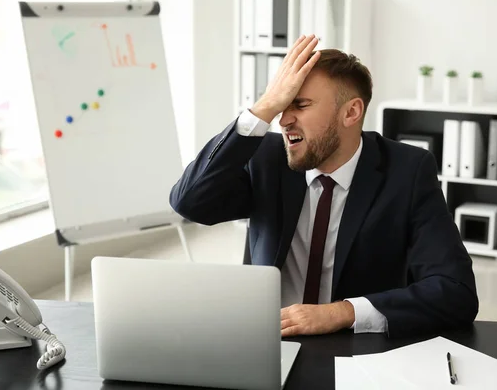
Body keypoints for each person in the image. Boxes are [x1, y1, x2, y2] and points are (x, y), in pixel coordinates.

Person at [170, 35, 479, 339]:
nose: (284, 120)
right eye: (282, 105)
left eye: (300, 105)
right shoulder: (266, 158)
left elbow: (456, 291)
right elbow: (190, 201)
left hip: (354, 343)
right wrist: (263, 108)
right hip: (270, 339)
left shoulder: (407, 171)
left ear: (351, 112)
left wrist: (340, 313)